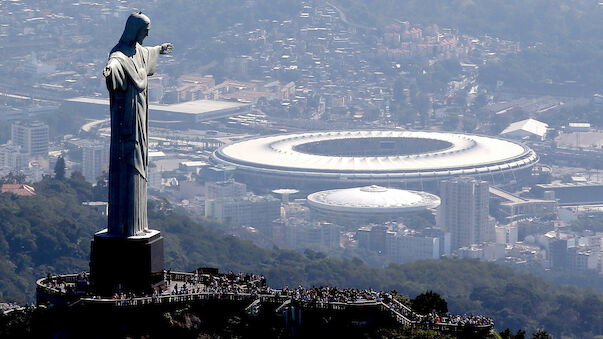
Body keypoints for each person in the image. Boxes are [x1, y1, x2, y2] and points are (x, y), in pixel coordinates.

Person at [103, 12, 173, 237]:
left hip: (141, 117)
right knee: (128, 165)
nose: (148, 34)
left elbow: (147, 53)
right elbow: (114, 63)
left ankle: (138, 225)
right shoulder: (120, 56)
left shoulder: (139, 52)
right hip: (127, 121)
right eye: (145, 30)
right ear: (134, 30)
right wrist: (110, 71)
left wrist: (160, 49)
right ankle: (126, 226)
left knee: (139, 162)